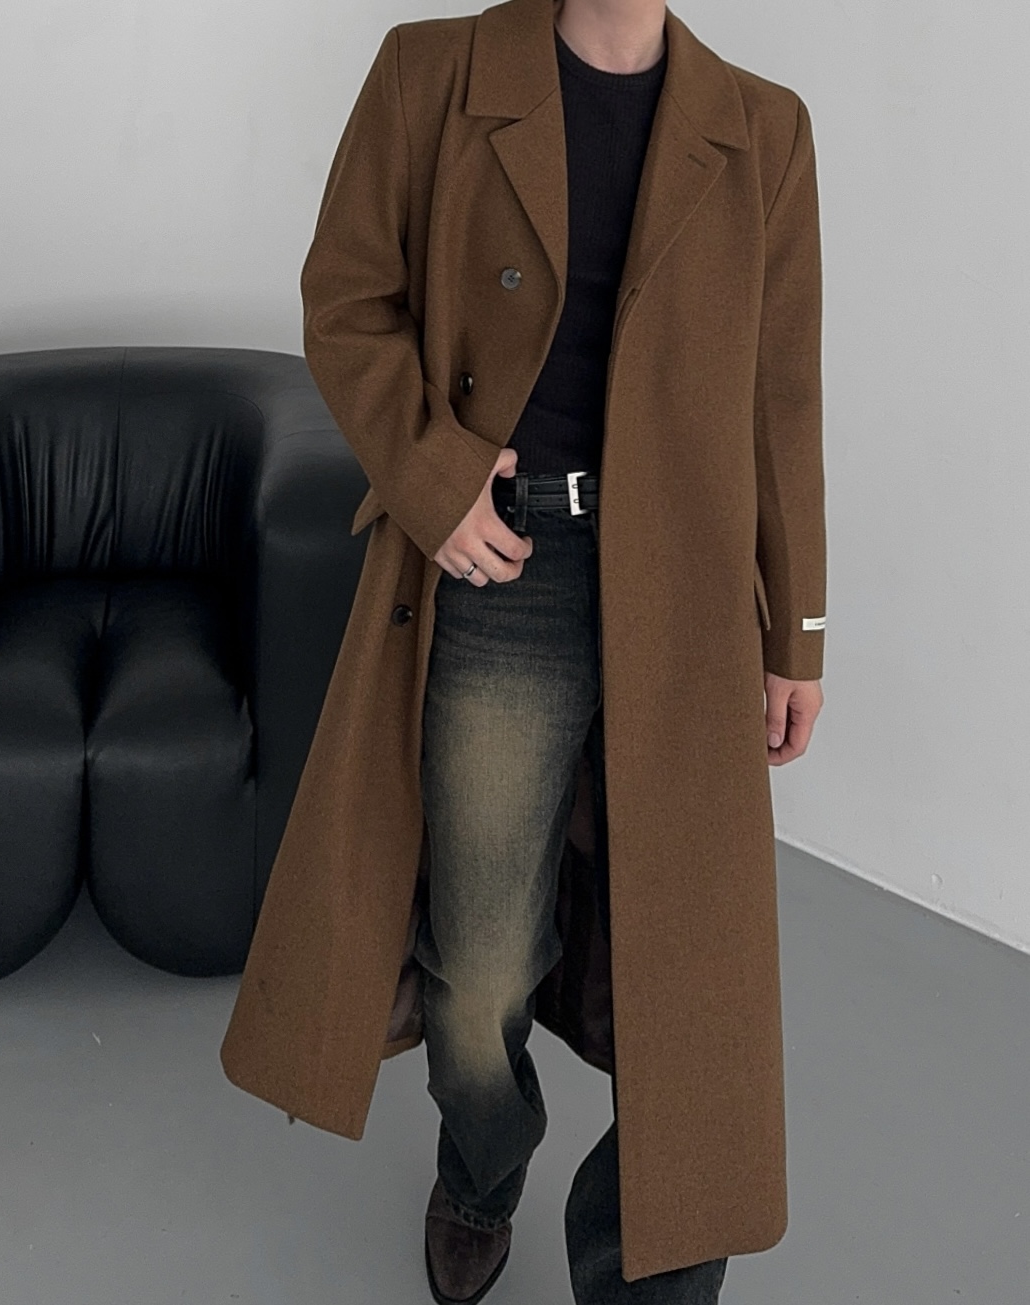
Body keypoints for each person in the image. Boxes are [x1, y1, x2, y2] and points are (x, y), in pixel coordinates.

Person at [285, 0, 826, 1302]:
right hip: (505, 567)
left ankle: (637, 1258)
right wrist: (435, 480)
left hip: (687, 597)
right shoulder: (431, 73)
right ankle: (483, 1164)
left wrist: (797, 626)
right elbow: (345, 303)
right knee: (476, 979)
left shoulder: (764, 130)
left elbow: (782, 394)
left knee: (692, 992)